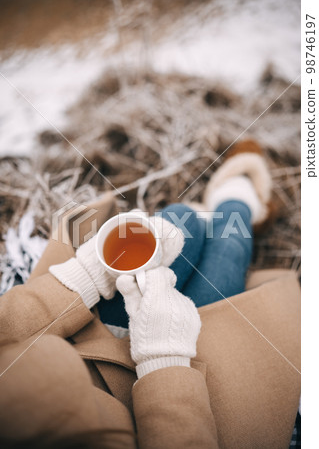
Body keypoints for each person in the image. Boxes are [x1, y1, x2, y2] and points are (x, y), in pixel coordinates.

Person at [0, 140, 300, 448]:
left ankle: (213, 217)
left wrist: (86, 275)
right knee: (229, 247)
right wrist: (164, 359)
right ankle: (238, 202)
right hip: (181, 393)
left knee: (181, 218)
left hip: (91, 335)